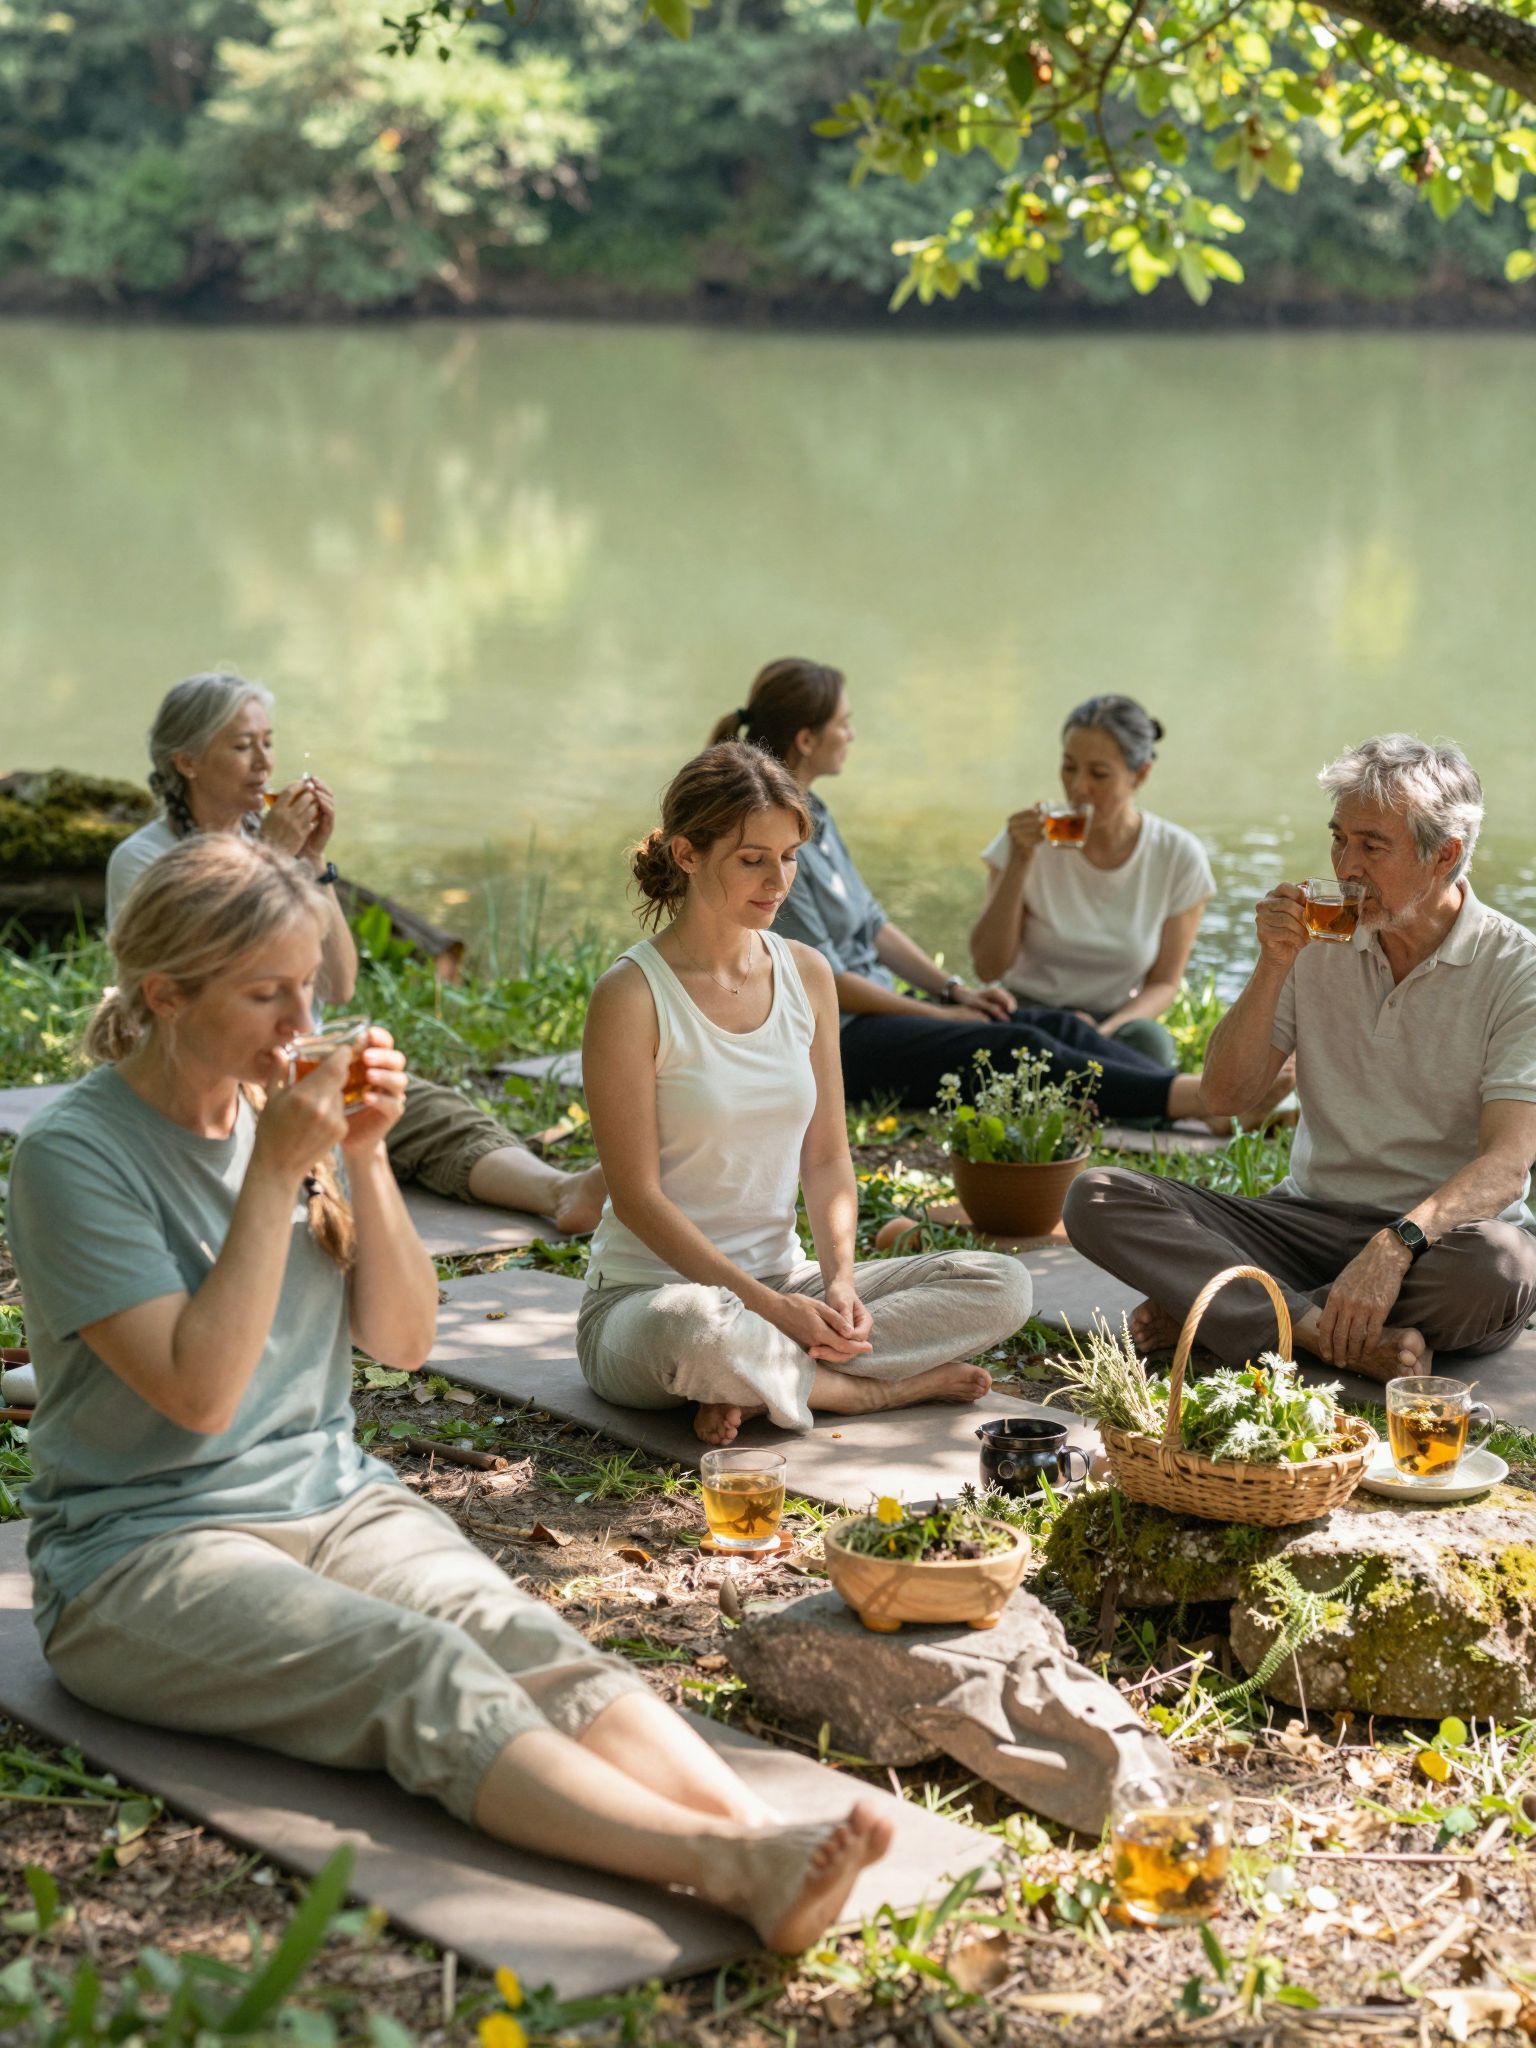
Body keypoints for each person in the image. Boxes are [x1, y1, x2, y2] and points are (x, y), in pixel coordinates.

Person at [9, 835, 894, 1953]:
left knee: (519, 1631)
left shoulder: (283, 1110)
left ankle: (764, 1830)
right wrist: (278, 1169)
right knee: (418, 1666)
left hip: (333, 1496)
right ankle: (722, 1866)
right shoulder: (75, 1156)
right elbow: (199, 1395)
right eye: (265, 994)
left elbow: (403, 1337)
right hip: (142, 1550)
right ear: (165, 995)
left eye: (308, 990)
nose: (299, 1025)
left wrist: (368, 1159)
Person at [578, 742, 1034, 1446]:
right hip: (648, 1304)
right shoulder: (631, 996)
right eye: (752, 858)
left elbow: (826, 1160)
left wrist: (841, 1283)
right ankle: (863, 1392)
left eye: (789, 857)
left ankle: (761, 1385)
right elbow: (637, 1199)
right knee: (700, 1333)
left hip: (786, 1285)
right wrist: (766, 1308)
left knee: (1002, 1284)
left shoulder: (807, 974)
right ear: (688, 854)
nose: (778, 880)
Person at [1065, 736, 1536, 1381]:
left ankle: (1234, 1308)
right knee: (1098, 1195)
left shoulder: (1518, 971)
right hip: (1307, 1221)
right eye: (1339, 838)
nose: (1346, 865)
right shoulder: (1317, 936)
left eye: (1372, 846)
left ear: (1445, 855)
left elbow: (1507, 1166)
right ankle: (1316, 1330)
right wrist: (1273, 963)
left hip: (1442, 1243)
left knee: (1501, 1267)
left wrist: (1396, 1243)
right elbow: (1225, 1099)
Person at [107, 672, 604, 1234]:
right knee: (321, 1134)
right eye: (242, 746)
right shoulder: (145, 860)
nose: (264, 763)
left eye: (268, 742)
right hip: (221, 1075)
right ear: (187, 762)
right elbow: (192, 977)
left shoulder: (280, 843)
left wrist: (314, 861)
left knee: (419, 1107)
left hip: (305, 1059)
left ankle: (562, 1190)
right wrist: (269, 856)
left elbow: (338, 985)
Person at [718, 659, 1287, 1127]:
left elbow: (872, 924)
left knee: (1054, 1028)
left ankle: (1202, 1096)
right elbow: (829, 978)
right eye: (845, 721)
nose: (854, 732)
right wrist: (939, 1018)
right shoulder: (771, 837)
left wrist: (954, 992)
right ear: (807, 738)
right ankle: (1207, 1105)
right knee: (1017, 1044)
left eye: (1098, 774)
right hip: (835, 1036)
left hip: (880, 1017)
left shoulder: (815, 815)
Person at [969, 695, 1215, 1072]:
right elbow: (988, 967)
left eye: (1098, 774)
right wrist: (1019, 861)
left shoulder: (1177, 856)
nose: (1078, 787)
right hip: (1026, 1013)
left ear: (1141, 774)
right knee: (984, 1039)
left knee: (1149, 1046)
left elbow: (1164, 984)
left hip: (1113, 1023)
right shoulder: (1028, 839)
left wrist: (1104, 1031)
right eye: (1069, 768)